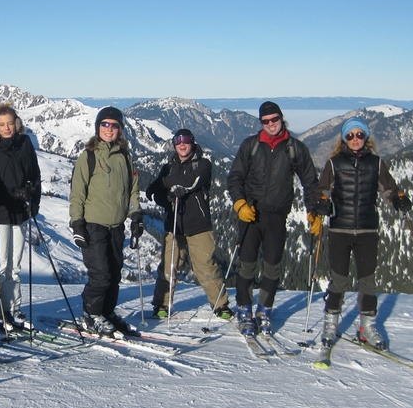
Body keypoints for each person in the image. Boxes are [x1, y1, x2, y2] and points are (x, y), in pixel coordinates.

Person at [314, 117, 412, 351]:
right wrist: (321, 203)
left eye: (359, 135)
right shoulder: (334, 163)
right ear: (344, 139)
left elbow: (389, 190)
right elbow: (322, 190)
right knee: (339, 279)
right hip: (340, 229)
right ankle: (331, 324)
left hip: (367, 229)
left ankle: (367, 327)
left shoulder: (376, 163)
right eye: (350, 135)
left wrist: (399, 200)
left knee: (367, 280)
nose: (355, 139)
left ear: (365, 137)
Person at [227, 101, 318, 336]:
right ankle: (244, 309)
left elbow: (310, 182)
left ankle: (264, 310)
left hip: (277, 215)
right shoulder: (251, 145)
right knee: (246, 265)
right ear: (261, 122)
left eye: (274, 119)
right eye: (265, 121)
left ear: (281, 118)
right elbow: (235, 177)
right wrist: (240, 203)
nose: (270, 124)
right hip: (251, 214)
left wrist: (313, 210)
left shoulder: (295, 148)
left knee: (272, 267)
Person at [69, 106, 143, 337]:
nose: (109, 129)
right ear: (97, 127)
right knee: (100, 274)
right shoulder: (88, 157)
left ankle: (106, 312)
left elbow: (132, 190)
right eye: (105, 124)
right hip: (93, 225)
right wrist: (77, 223)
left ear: (120, 129)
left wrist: (136, 215)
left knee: (114, 273)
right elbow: (77, 193)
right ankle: (91, 315)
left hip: (116, 226)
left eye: (114, 125)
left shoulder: (124, 157)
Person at [146, 129, 233, 320]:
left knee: (205, 266)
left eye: (185, 140)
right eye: (178, 141)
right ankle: (161, 303)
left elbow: (190, 182)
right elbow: (155, 194)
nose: (182, 145)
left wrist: (165, 184)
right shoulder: (169, 167)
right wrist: (167, 197)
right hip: (174, 225)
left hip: (198, 224)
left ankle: (220, 304)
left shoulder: (203, 164)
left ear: (192, 142)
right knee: (168, 266)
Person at [0, 103, 42, 331]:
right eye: (2, 124)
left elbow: (35, 173)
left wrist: (34, 200)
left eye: (10, 123)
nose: (7, 128)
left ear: (16, 123)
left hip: (20, 213)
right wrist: (12, 193)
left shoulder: (24, 143)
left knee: (14, 267)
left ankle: (12, 308)